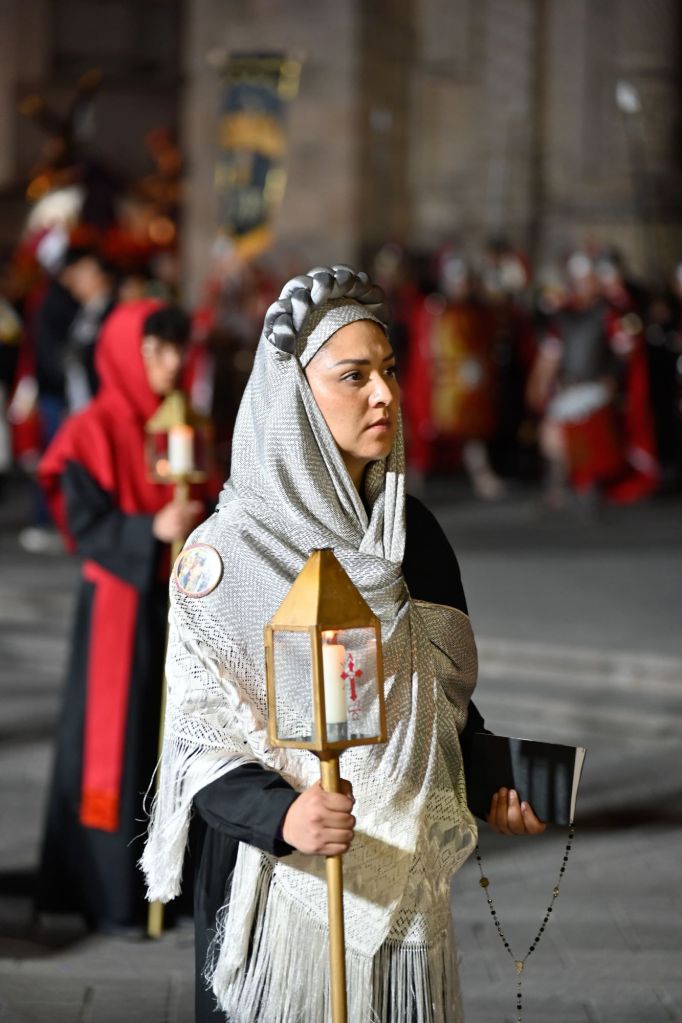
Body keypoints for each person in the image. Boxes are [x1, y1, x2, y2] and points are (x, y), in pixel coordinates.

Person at [142, 266, 544, 1022]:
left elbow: (434, 704)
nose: (384, 394)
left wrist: (495, 781)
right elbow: (202, 738)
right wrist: (283, 814)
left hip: (400, 881)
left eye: (388, 369)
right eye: (353, 376)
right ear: (295, 394)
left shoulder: (411, 533)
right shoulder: (226, 555)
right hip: (275, 874)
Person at [36, 299, 204, 932]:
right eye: (155, 350)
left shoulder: (187, 422)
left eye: (176, 348)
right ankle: (111, 893)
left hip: (181, 608)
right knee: (122, 744)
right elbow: (83, 524)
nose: (171, 363)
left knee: (178, 742)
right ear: (123, 354)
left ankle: (174, 887)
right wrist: (149, 529)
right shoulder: (91, 430)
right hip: (119, 607)